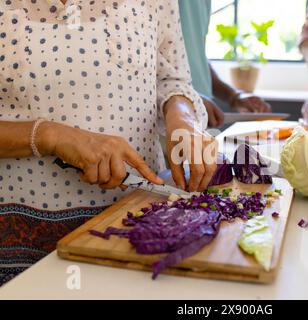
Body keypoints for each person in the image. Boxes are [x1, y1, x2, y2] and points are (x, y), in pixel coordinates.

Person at [0, 0, 217, 285]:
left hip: (142, 228)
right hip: (18, 250)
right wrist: (51, 135)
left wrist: (184, 120)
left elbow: (172, 79)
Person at [178, 0, 272, 128]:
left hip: (201, 119)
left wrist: (234, 96)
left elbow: (197, 56)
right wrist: (188, 98)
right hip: (168, 120)